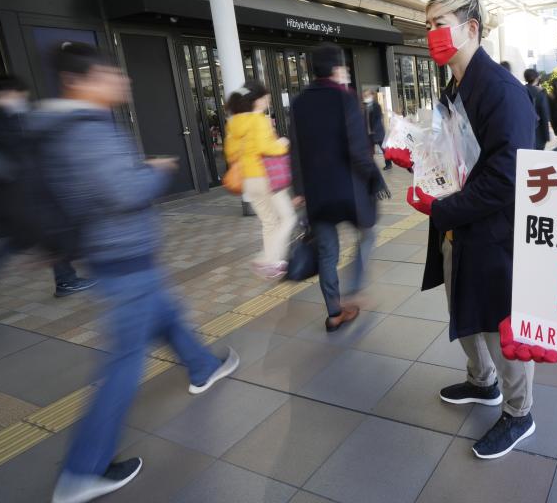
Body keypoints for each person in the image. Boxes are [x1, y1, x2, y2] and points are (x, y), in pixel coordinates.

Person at [37, 43, 238, 503]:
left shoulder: (66, 127)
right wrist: (155, 170)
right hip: (122, 258)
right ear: (79, 82)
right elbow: (123, 191)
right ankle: (82, 471)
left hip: (118, 257)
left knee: (166, 314)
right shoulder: (87, 130)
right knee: (125, 364)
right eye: (107, 72)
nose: (119, 79)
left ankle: (204, 365)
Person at [404, 0, 538, 459]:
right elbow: (455, 156)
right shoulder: (454, 88)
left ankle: (519, 413)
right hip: (460, 228)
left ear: (472, 28)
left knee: (500, 324)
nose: (431, 34)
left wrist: (442, 209)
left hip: (495, 233)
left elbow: (508, 176)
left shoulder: (502, 92)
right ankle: (482, 383)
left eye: (439, 22)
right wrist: (421, 166)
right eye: (427, 25)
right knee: (463, 308)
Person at [291, 43, 389, 332]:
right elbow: (358, 150)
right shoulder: (346, 99)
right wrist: (375, 178)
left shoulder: (299, 102)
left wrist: (299, 189)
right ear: (336, 68)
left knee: (327, 254)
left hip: (317, 194)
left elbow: (294, 151)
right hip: (349, 192)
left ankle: (334, 312)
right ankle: (354, 289)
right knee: (368, 235)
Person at [0, 74, 96, 297]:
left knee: (38, 239)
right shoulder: (3, 120)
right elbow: (20, 157)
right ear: (3, 94)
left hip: (17, 200)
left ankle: (66, 279)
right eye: (19, 94)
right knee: (46, 235)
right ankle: (67, 280)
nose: (22, 99)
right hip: (18, 199)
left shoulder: (10, 118)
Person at [224, 83, 296, 280]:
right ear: (255, 100)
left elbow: (230, 154)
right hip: (266, 177)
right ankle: (268, 259)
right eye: (265, 98)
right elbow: (267, 148)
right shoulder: (259, 120)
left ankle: (269, 261)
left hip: (248, 180)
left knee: (269, 221)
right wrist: (282, 144)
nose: (267, 101)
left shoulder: (233, 124)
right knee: (288, 218)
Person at [363, 88, 392, 170]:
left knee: (384, 149)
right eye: (364, 95)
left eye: (367, 95)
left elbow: (378, 118)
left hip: (378, 132)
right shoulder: (366, 107)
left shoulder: (376, 106)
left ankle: (389, 164)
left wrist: (374, 130)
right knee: (369, 151)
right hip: (369, 133)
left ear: (372, 95)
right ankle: (370, 165)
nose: (366, 97)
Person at [524, 68, 551, 150]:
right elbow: (544, 115)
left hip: (523, 132)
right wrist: (547, 135)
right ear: (536, 78)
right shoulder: (540, 93)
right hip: (538, 133)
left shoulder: (521, 90)